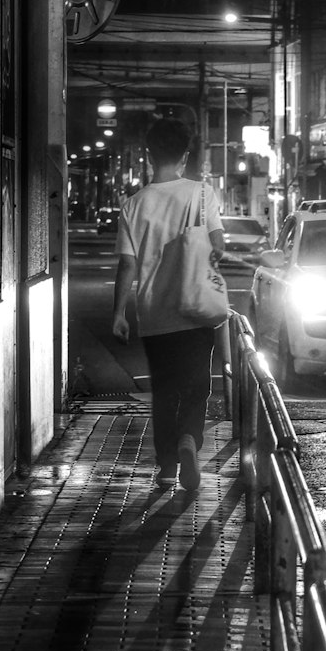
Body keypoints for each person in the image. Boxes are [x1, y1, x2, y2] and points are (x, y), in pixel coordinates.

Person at [112, 118, 225, 492]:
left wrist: (119, 313)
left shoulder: (133, 205)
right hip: (195, 309)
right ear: (186, 155)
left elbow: (127, 264)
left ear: (148, 154)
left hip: (154, 313)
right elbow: (219, 247)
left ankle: (165, 468)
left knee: (164, 389)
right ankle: (189, 439)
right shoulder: (202, 194)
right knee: (196, 387)